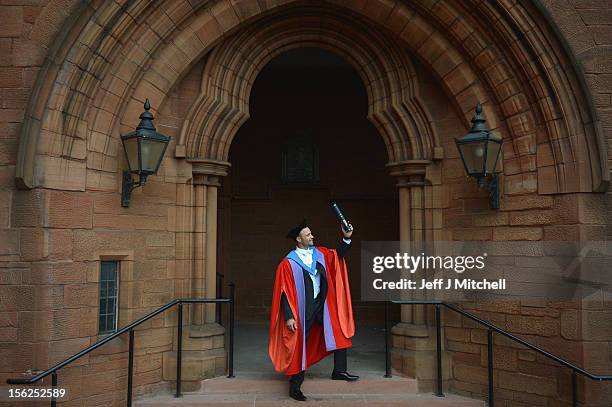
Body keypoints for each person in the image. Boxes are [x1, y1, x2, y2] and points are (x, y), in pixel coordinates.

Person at [269, 219, 359, 401]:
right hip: (303, 309)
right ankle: (295, 386)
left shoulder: (319, 254)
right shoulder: (288, 263)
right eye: (308, 234)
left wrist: (346, 238)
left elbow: (337, 256)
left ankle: (339, 371)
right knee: (299, 344)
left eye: (311, 233)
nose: (312, 236)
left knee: (339, 331)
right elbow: (284, 293)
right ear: (299, 239)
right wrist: (289, 316)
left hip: (322, 305)